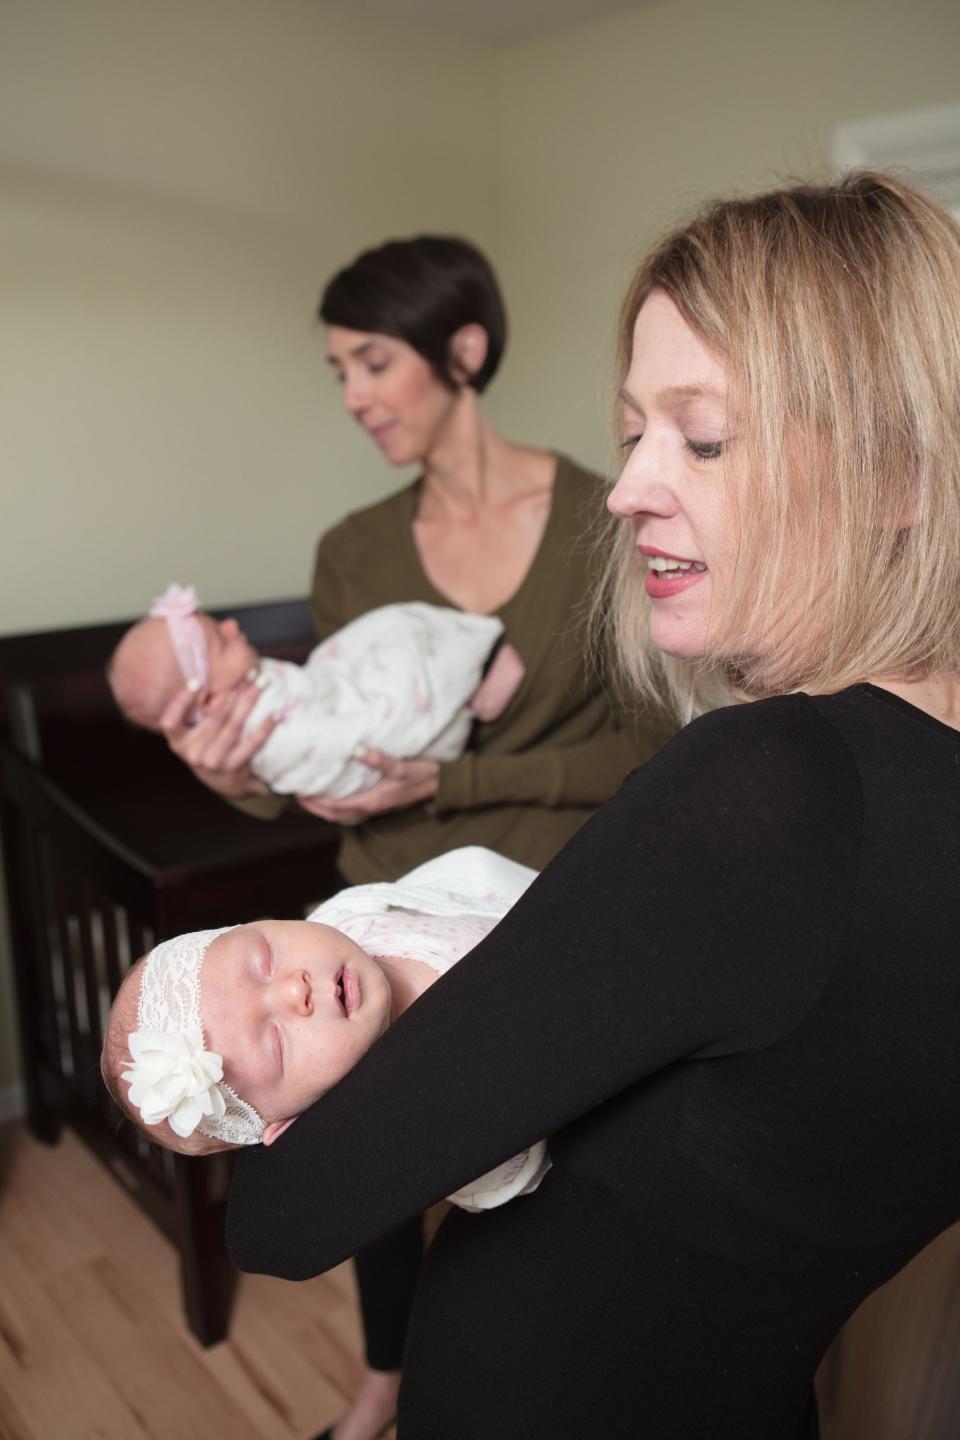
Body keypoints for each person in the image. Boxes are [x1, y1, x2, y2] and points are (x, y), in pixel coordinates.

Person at [224, 173, 960, 1439]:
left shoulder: (771, 787)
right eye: (632, 436)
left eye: (704, 437)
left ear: (903, 472)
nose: (627, 493)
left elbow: (287, 1216)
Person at [154, 235, 671, 1440]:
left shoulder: (605, 519)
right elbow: (322, 748)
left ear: (466, 351)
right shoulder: (354, 548)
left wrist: (468, 772)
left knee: (558, 1188)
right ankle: (386, 1374)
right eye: (339, 370)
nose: (353, 397)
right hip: (377, 892)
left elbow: (647, 749)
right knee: (361, 1152)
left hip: (541, 902)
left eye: (372, 362)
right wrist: (239, 777)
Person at [101, 847, 549, 1213]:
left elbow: (466, 877)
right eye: (276, 1042)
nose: (294, 992)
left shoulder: (349, 918)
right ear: (296, 1124)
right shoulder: (425, 1115)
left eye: (264, 960)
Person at [108, 585, 522, 797]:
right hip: (369, 749)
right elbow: (334, 742)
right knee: (407, 687)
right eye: (221, 640)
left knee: (391, 630)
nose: (233, 627)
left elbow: (315, 685)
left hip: (334, 692)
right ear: (208, 701)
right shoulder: (267, 735)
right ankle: (472, 697)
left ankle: (463, 657)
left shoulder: (243, 683)